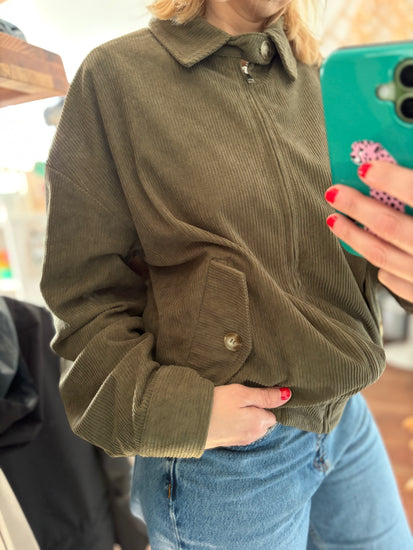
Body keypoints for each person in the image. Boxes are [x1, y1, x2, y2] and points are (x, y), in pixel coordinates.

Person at [40, 0, 413, 547]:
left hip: (344, 416)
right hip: (227, 460)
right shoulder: (117, 76)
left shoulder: (323, 82)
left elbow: (362, 253)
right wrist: (180, 413)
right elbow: (85, 299)